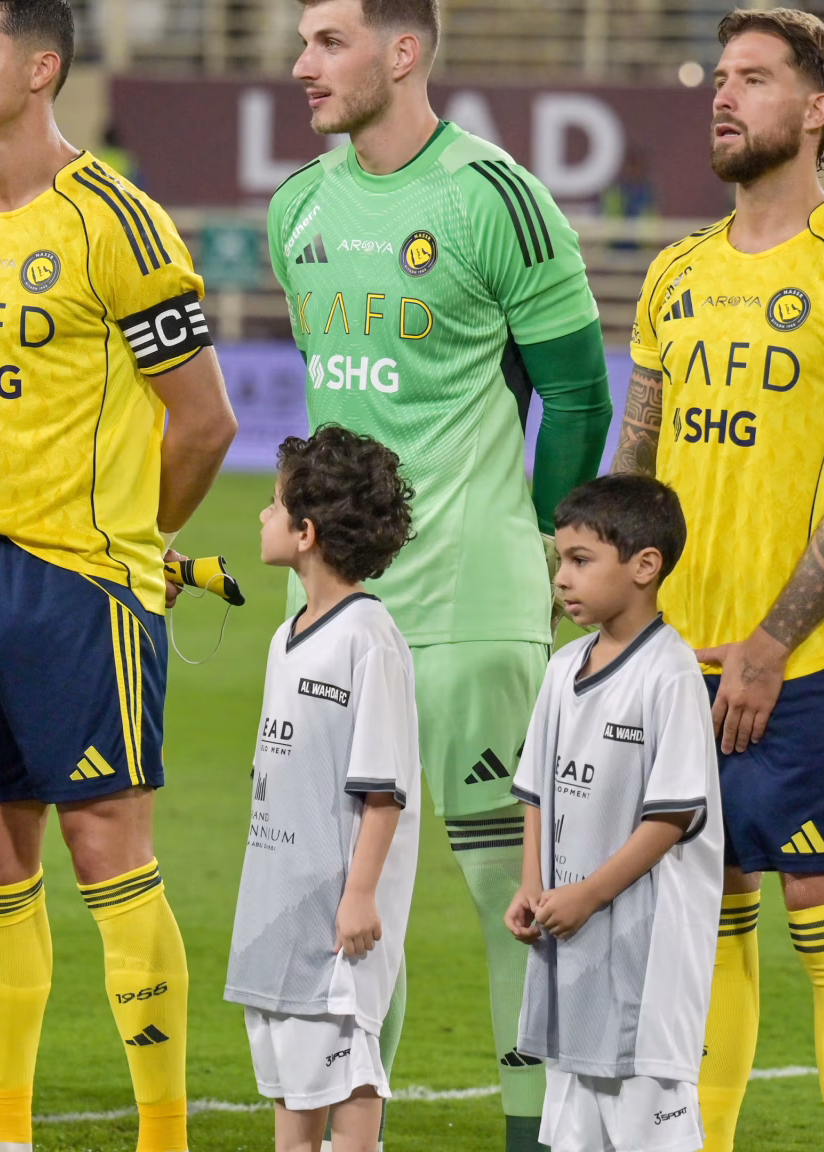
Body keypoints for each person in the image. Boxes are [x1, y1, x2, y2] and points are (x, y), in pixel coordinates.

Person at [267, 4, 616, 1147]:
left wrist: (545, 543)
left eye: (327, 41)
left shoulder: (493, 198)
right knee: (343, 894)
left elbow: (575, 393)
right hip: (333, 611)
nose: (301, 64)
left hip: (469, 599)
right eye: (301, 41)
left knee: (506, 891)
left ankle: (534, 1135)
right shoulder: (296, 205)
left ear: (401, 51)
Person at [0, 4, 238, 1150]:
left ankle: (162, 1135)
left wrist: (133, 546)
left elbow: (202, 421)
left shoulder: (118, 222)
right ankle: (1, 1130)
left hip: (82, 582)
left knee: (104, 847)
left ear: (40, 66)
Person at [610, 11, 824, 1151]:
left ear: (816, 108)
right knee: (708, 914)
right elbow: (635, 464)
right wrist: (616, 625)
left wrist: (769, 642)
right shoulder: (675, 271)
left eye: (752, 77)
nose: (722, 94)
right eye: (720, 75)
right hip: (673, 661)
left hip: (804, 664)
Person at [505, 475, 722, 1152]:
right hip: (569, 941)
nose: (561, 577)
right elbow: (535, 791)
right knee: (576, 1126)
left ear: (644, 565)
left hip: (644, 958)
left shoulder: (671, 673)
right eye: (560, 560)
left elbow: (669, 819)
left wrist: (589, 895)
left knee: (646, 1122)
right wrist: (532, 884)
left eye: (581, 560)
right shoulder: (563, 666)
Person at [226, 426, 418, 1152]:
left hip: (338, 913)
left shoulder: (369, 637)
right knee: (289, 1076)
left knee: (346, 1070)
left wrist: (360, 895)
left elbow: (383, 788)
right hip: (279, 897)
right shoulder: (287, 637)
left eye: (275, 506)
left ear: (305, 533)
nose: (262, 516)